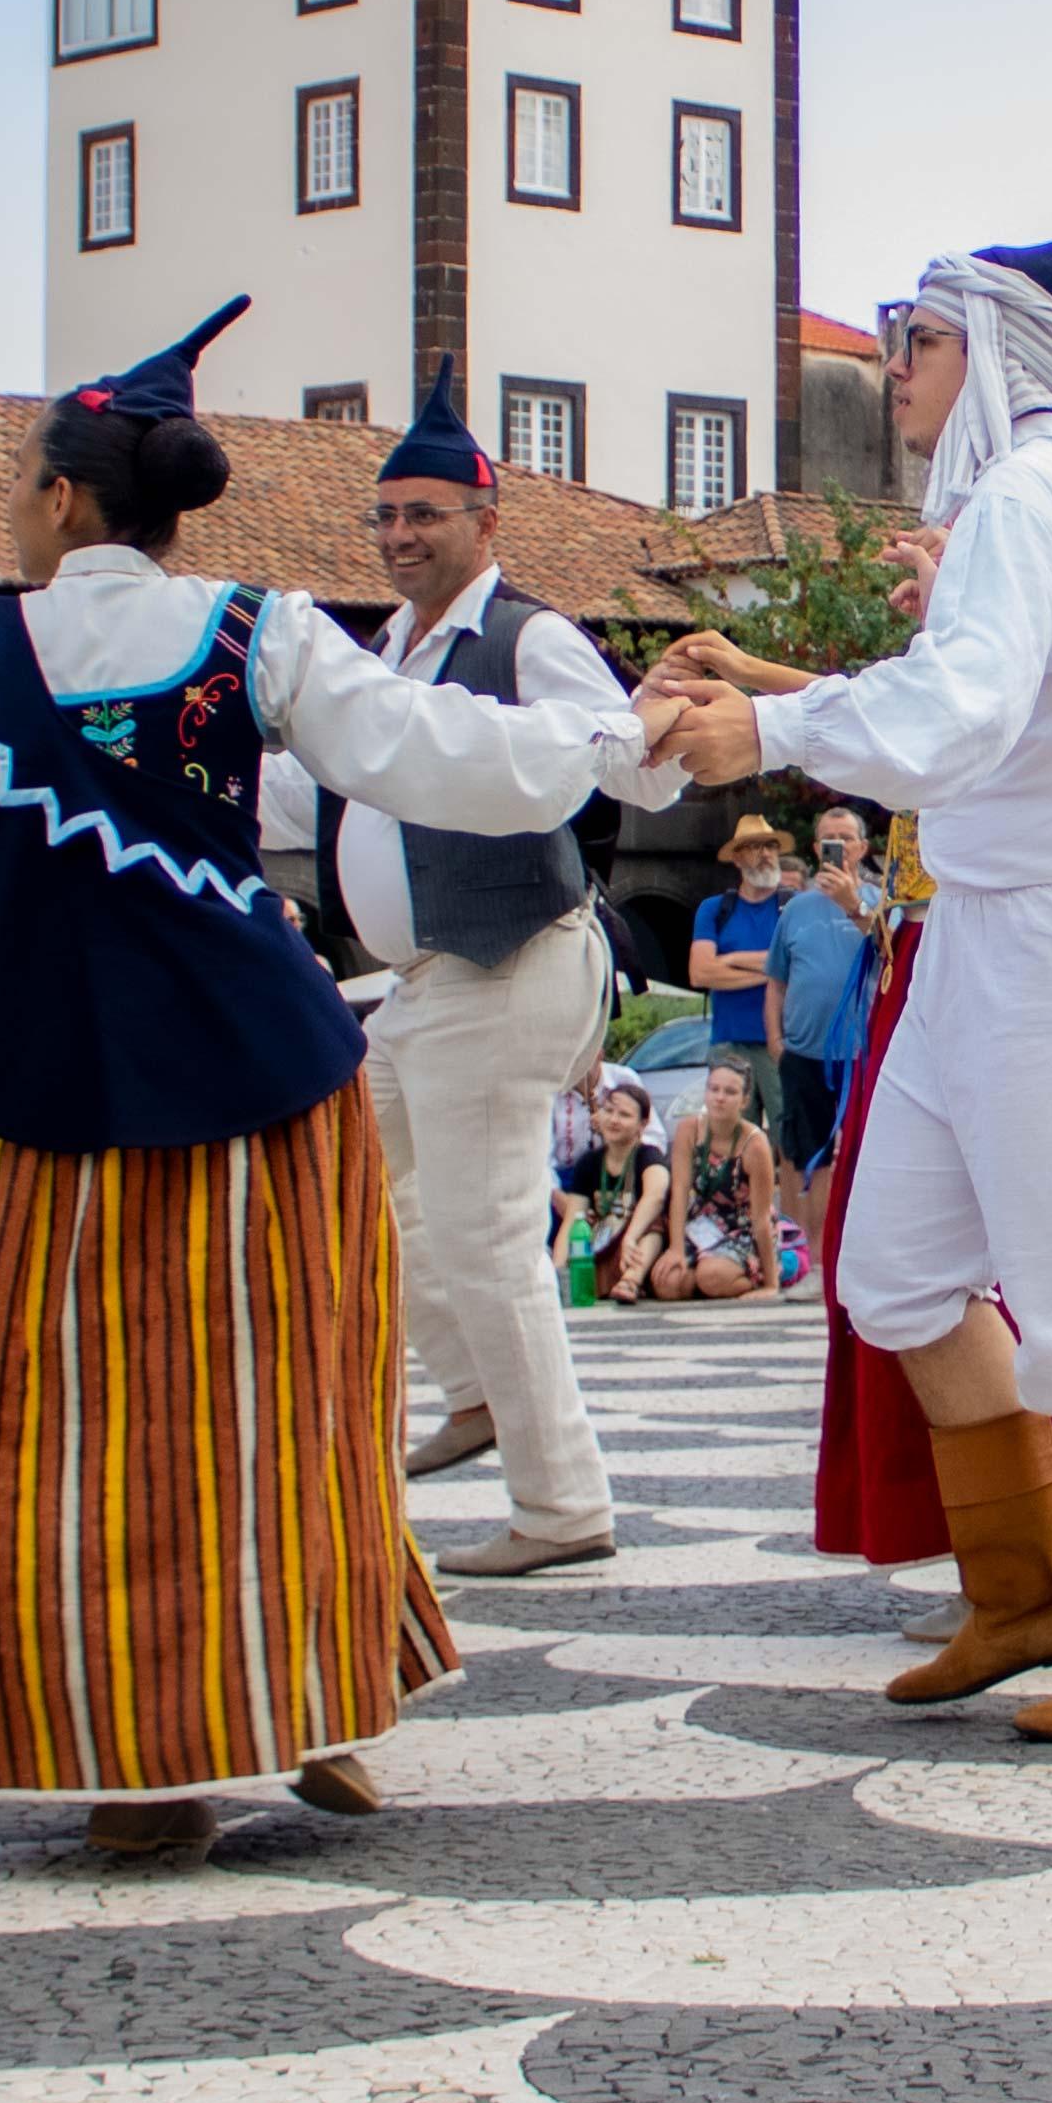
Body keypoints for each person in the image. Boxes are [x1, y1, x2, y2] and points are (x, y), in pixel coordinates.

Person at [0, 288, 696, 1849]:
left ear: (65, 500)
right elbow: (447, 756)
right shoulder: (260, 632)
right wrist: (628, 740)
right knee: (282, 1397)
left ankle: (138, 1761)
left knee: (60, 1416)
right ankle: (310, 1691)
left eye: (24, 482)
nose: (14, 508)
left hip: (46, 1072)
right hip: (261, 1062)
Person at [648, 201, 1052, 1741]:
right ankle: (1028, 1591)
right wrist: (794, 688)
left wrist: (769, 725)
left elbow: (961, 715)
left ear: (987, 354)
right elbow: (971, 703)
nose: (894, 363)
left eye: (915, 337)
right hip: (988, 930)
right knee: (895, 1268)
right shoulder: (1015, 514)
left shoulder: (1031, 500)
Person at [264, 369, 644, 1577]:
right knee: (352, 1178)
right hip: (420, 981)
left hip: (513, 953)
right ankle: (477, 1388)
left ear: (486, 521)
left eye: (424, 513)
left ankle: (562, 1503)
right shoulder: (382, 648)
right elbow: (312, 795)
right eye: (386, 515)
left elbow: (623, 753)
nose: (399, 535)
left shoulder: (528, 634)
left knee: (485, 1231)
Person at [771, 806, 884, 1194]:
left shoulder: (881, 901)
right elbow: (777, 980)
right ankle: (803, 1233)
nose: (837, 846)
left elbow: (892, 953)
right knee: (800, 1155)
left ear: (862, 847)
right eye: (829, 840)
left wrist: (853, 905)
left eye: (846, 839)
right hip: (803, 1054)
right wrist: (776, 1042)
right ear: (817, 848)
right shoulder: (796, 907)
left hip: (860, 1054)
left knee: (863, 1153)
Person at [624, 1056, 787, 1301]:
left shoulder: (755, 1143)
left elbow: (761, 1216)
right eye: (714, 1089)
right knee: (666, 1284)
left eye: (730, 1092)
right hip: (701, 1221)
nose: (720, 1098)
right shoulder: (689, 1130)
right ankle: (705, 1280)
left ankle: (750, 1277)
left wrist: (771, 1284)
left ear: (744, 1100)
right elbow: (679, 1191)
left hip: (742, 1226)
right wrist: (676, 1249)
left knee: (711, 1275)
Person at [691, 816, 786, 1117]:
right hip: (728, 1043)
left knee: (788, 1136)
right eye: (755, 846)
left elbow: (800, 966)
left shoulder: (793, 907)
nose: (766, 854)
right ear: (737, 858)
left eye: (771, 846)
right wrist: (775, 971)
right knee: (731, 1135)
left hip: (783, 1042)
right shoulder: (715, 909)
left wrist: (731, 960)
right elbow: (701, 973)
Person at [555, 1077, 662, 1300]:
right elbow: (572, 1220)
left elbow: (656, 1197)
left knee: (655, 1226)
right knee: (581, 1228)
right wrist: (557, 1271)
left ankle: (630, 1282)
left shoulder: (648, 1156)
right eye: (609, 1111)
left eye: (624, 1115)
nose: (614, 1120)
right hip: (604, 1241)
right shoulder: (589, 1162)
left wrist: (630, 1238)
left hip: (636, 1244)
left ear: (642, 1124)